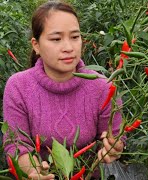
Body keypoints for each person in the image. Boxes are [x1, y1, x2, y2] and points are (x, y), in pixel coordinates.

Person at [3, 1, 124, 179]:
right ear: (36, 45)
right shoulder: (19, 87)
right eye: (56, 39)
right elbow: (16, 144)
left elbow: (114, 138)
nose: (69, 47)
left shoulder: (103, 87)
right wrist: (32, 170)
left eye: (75, 37)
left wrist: (113, 147)